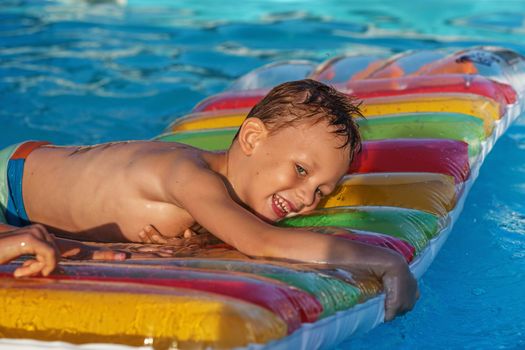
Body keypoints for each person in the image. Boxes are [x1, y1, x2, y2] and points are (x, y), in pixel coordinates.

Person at [0, 79, 418, 321]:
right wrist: (387, 261)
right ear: (253, 138)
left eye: (322, 192)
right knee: (20, 246)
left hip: (33, 182)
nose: (307, 197)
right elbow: (261, 243)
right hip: (8, 187)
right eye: (302, 172)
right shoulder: (190, 178)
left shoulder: (218, 200)